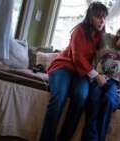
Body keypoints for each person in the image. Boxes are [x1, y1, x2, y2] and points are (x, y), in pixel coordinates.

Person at [39, 2, 108, 141]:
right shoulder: (79, 30)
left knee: (81, 97)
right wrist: (96, 75)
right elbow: (77, 57)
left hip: (81, 73)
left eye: (104, 17)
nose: (102, 21)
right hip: (64, 67)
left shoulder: (102, 35)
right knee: (59, 97)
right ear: (90, 16)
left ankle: (64, 138)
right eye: (98, 17)